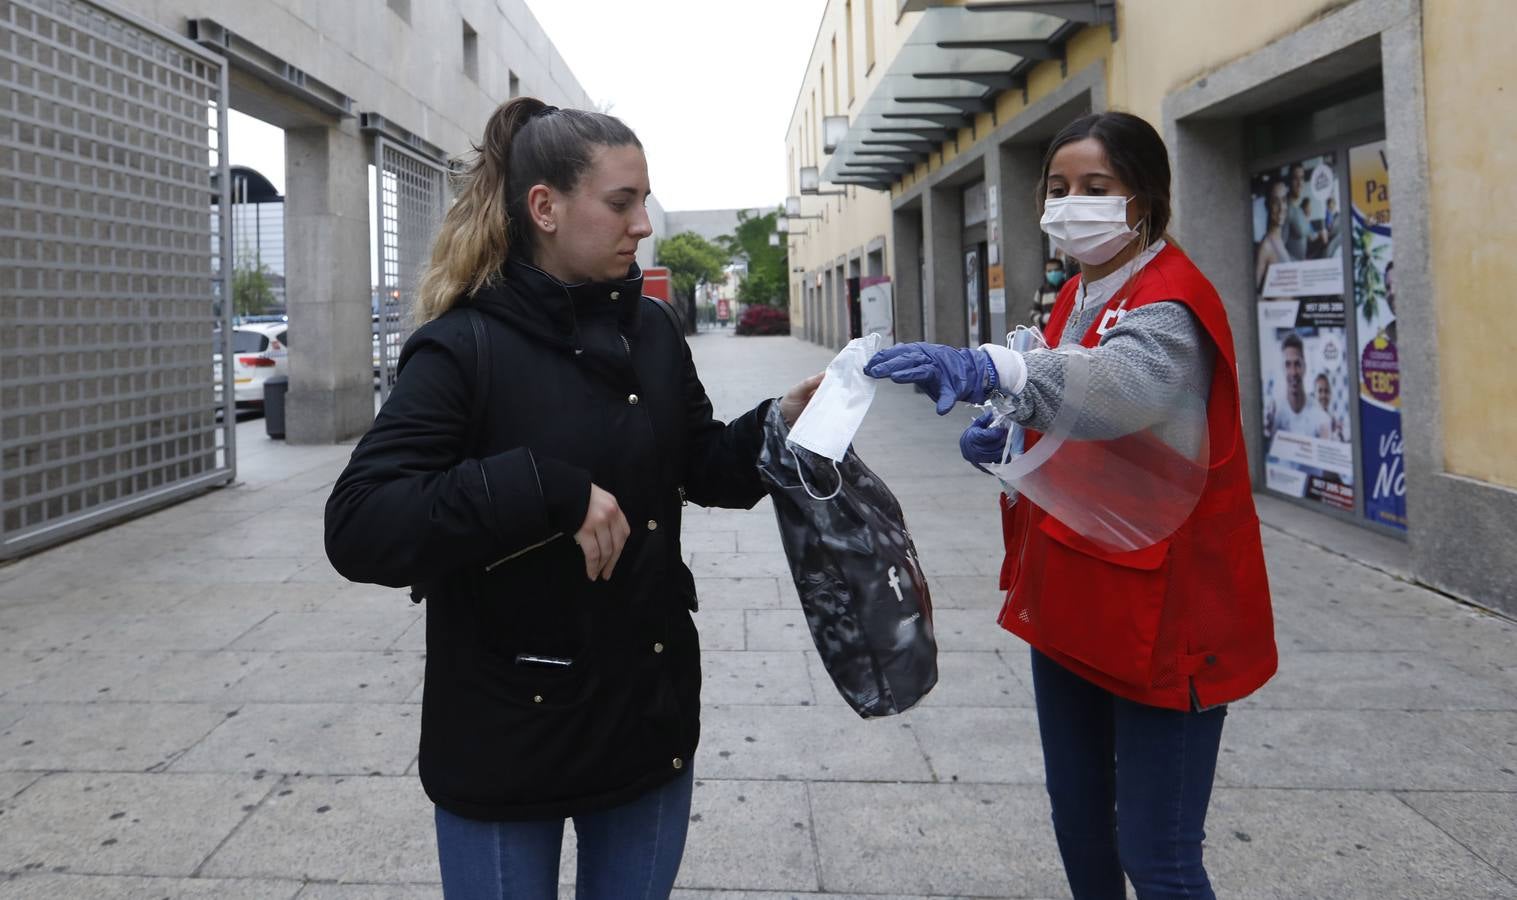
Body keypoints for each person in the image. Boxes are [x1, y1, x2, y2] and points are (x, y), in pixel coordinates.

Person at [324, 97, 821, 900]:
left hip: (645, 717)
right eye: (620, 202)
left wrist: (780, 426)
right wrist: (542, 486)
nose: (644, 223)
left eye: (644, 200)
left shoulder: (652, 330)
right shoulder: (463, 345)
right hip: (507, 740)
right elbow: (361, 524)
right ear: (545, 208)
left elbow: (702, 466)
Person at [863, 111, 1276, 900]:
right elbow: (1086, 429)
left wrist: (1000, 372)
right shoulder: (1081, 293)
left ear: (1144, 199)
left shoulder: (1170, 304)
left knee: (1157, 857)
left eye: (1096, 187)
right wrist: (1010, 440)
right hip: (1076, 601)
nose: (1070, 203)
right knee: (1080, 828)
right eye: (1056, 188)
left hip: (1166, 619)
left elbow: (1118, 391)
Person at [1264, 331, 1331, 441]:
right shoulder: (1275, 413)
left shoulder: (1318, 414)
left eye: (1297, 364)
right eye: (1287, 364)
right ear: (1282, 368)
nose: (1293, 372)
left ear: (1305, 367)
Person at [1254, 182, 1292, 292]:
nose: (1281, 207)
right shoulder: (1266, 246)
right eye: (1275, 202)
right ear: (1268, 205)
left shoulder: (1280, 240)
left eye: (1284, 200)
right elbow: (1254, 293)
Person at [1283, 162, 1311, 260]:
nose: (1299, 183)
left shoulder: (1300, 210)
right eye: (1295, 178)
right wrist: (1296, 265)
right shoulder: (1286, 210)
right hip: (1293, 271)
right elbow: (1279, 249)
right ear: (1289, 181)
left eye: (1302, 178)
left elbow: (1304, 243)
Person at [1030, 256, 1067, 330]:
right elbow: (1033, 313)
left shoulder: (1068, 288)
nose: (1053, 273)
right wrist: (1043, 318)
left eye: (1056, 270)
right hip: (1047, 333)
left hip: (1066, 332)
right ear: (1045, 273)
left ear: (1063, 271)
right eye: (1049, 271)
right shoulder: (1041, 291)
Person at [1314, 372, 1345, 441]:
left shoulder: (1331, 415)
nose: (1323, 395)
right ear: (1314, 393)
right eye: (1320, 391)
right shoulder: (1314, 417)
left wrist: (1339, 433)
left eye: (1326, 391)